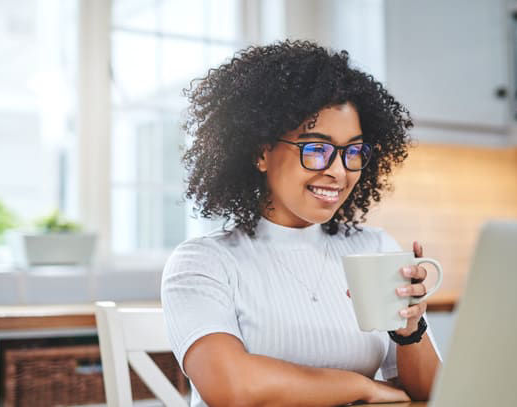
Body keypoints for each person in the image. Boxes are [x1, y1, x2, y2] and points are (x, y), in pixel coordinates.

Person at [161, 40, 442, 406]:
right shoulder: (205, 262)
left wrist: (409, 330)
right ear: (261, 152)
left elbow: (433, 396)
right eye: (316, 148)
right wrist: (362, 387)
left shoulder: (376, 250)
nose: (339, 171)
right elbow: (232, 388)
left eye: (353, 151)